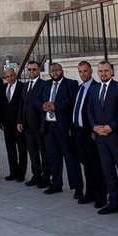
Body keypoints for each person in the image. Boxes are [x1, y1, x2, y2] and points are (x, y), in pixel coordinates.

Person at [89, 61, 118, 219]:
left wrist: (111, 127)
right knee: (108, 172)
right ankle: (114, 202)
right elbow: (90, 110)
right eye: (100, 71)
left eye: (106, 70)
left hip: (115, 137)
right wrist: (94, 126)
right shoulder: (94, 89)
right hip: (101, 138)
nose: (103, 73)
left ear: (112, 71)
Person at [39, 63, 82, 198]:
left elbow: (71, 101)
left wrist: (55, 106)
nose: (55, 73)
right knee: (53, 158)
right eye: (52, 71)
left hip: (63, 127)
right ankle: (56, 183)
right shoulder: (46, 85)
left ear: (62, 70)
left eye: (57, 70)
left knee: (70, 158)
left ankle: (77, 187)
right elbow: (37, 100)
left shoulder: (71, 84)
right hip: (49, 127)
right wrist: (43, 105)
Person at [71, 61, 106, 208]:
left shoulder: (96, 87)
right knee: (86, 164)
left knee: (95, 165)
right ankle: (90, 192)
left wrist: (93, 130)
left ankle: (101, 196)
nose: (82, 74)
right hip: (79, 132)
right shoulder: (79, 88)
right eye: (80, 71)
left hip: (90, 133)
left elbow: (97, 111)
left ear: (91, 71)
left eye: (85, 71)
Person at [20, 61, 48, 187]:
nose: (31, 72)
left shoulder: (44, 84)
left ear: (39, 70)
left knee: (44, 152)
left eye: (34, 69)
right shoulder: (25, 86)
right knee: (32, 151)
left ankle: (46, 176)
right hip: (27, 125)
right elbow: (22, 105)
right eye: (29, 69)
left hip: (39, 125)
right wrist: (19, 120)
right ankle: (36, 174)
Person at [0, 66, 26, 182]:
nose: (10, 79)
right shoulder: (3, 87)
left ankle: (21, 173)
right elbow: (1, 105)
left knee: (21, 149)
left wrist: (20, 121)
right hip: (7, 124)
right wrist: (1, 122)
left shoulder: (22, 87)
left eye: (11, 76)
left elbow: (23, 106)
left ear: (15, 75)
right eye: (7, 77)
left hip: (18, 124)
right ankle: (13, 172)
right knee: (10, 149)